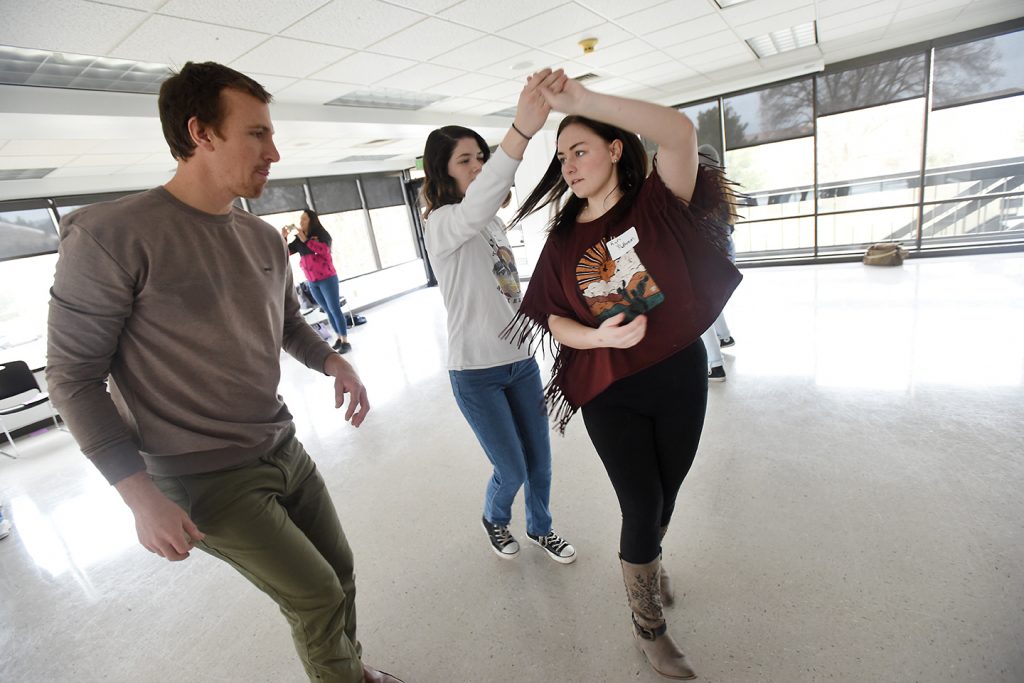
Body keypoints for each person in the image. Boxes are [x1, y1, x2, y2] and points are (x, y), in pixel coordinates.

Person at [46, 61, 399, 683]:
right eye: (257, 134)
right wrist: (139, 498)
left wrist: (332, 359)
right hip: (202, 474)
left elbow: (288, 325)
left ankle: (347, 670)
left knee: (338, 572)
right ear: (201, 133)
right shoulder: (112, 236)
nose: (274, 151)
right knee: (314, 595)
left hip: (281, 445)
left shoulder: (263, 239)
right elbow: (73, 377)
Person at [504, 76, 741, 679]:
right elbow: (554, 317)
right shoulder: (562, 239)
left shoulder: (658, 203)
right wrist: (598, 337)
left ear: (615, 149)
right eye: (561, 157)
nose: (568, 164)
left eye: (579, 149)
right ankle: (648, 628)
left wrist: (580, 102)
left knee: (666, 494)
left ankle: (650, 560)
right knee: (640, 503)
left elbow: (681, 133)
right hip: (608, 387)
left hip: (679, 375)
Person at [420, 68, 576, 565]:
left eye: (481, 157)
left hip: (520, 362)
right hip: (476, 371)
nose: (479, 166)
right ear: (443, 173)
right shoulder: (444, 223)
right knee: (510, 469)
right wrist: (522, 131)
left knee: (541, 464)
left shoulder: (493, 221)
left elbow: (506, 289)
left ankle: (541, 528)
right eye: (466, 160)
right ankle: (495, 517)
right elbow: (482, 197)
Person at [284, 209, 351, 354]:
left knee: (335, 310)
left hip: (328, 279)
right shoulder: (299, 238)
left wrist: (306, 241)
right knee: (327, 311)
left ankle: (345, 341)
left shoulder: (321, 234)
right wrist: (283, 238)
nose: (301, 222)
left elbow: (324, 251)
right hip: (312, 282)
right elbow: (286, 252)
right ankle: (338, 338)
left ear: (312, 220)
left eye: (304, 219)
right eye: (300, 219)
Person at [697, 144, 738, 382]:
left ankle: (715, 365)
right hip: (727, 257)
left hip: (711, 262)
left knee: (700, 311)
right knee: (712, 302)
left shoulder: (703, 194)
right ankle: (725, 337)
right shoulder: (723, 189)